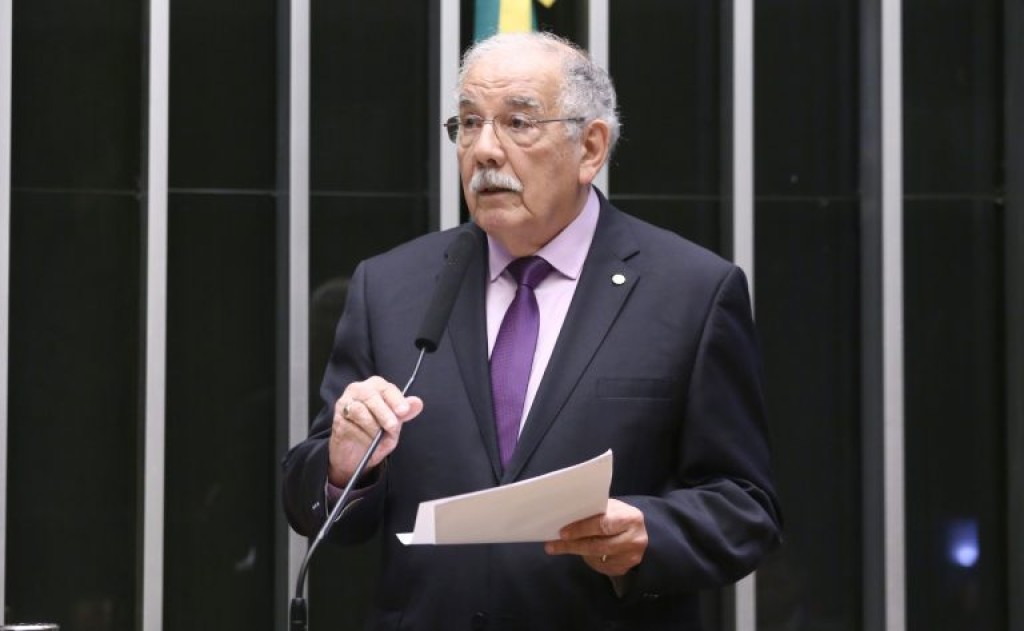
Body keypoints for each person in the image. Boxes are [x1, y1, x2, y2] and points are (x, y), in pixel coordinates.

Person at [282, 31, 782, 630]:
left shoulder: (691, 291)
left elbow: (744, 508)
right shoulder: (390, 287)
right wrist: (344, 467)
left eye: (517, 123)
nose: (484, 151)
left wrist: (649, 534)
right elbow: (312, 502)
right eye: (469, 124)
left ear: (590, 148)